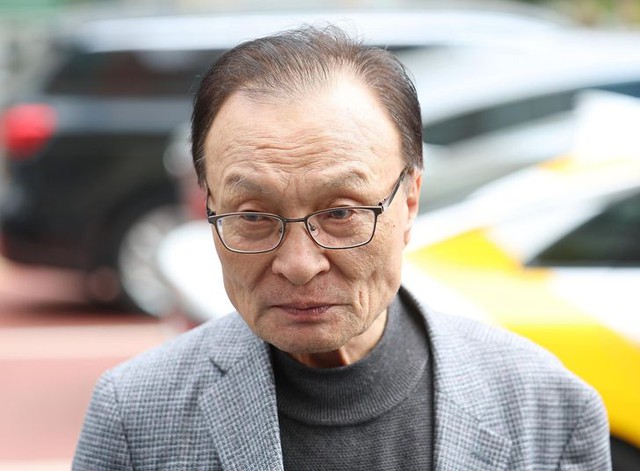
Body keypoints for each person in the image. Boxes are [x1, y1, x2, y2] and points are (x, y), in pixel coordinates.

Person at [73, 25, 611, 470]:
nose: (299, 265)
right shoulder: (136, 414)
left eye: (340, 213)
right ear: (209, 207)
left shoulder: (547, 409)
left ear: (410, 201)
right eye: (253, 216)